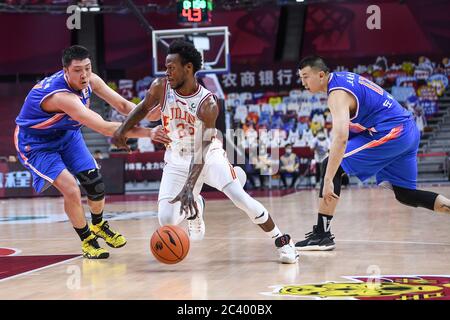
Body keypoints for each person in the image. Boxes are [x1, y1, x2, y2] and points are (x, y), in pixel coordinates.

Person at [112, 40, 298, 263]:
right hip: (176, 157)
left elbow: (202, 148)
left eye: (171, 67)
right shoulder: (160, 87)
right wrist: (122, 130)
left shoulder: (207, 104)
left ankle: (283, 241)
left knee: (241, 199)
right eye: (165, 67)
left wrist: (190, 187)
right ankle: (196, 207)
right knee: (166, 219)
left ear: (188, 68)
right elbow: (142, 108)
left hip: (207, 156)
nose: (167, 72)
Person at [14, 45, 161, 259]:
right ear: (65, 71)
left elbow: (121, 104)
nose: (84, 75)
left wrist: (150, 112)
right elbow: (103, 127)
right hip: (36, 144)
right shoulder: (62, 97)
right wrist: (150, 133)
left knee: (95, 183)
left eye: (87, 68)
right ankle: (87, 240)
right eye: (77, 70)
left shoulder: (92, 80)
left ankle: (99, 224)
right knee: (71, 189)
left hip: (67, 135)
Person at [294, 56, 450, 251]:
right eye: (301, 78)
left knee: (331, 167)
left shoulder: (337, 94)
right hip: (406, 130)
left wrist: (327, 180)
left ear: (321, 74)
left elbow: (341, 138)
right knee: (406, 194)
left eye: (306, 77)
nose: (303, 83)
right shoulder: (343, 78)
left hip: (394, 132)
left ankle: (322, 235)